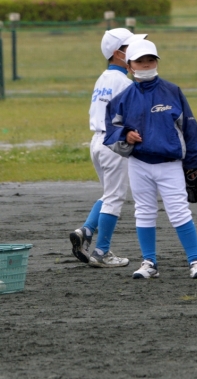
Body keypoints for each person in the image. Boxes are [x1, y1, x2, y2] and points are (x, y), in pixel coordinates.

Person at [103, 39, 197, 279]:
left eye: (150, 60)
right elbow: (110, 129)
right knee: (144, 211)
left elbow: (190, 128)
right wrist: (125, 135)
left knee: (179, 212)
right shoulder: (123, 97)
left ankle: (196, 261)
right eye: (139, 61)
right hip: (139, 163)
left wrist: (195, 163)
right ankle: (149, 262)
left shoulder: (172, 91)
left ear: (157, 62)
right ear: (129, 66)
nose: (146, 64)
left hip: (170, 164)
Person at [70, 28, 146, 268]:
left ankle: (86, 230)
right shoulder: (124, 82)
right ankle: (102, 252)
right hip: (115, 142)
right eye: (129, 48)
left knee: (109, 194)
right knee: (114, 197)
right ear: (117, 53)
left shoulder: (104, 78)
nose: (135, 52)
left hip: (97, 141)